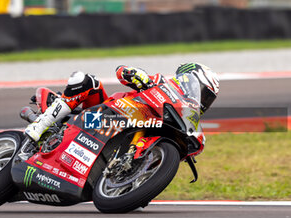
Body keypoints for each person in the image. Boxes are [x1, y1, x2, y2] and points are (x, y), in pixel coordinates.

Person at [25, 64, 219, 155]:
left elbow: (192, 150)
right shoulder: (161, 82)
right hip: (103, 116)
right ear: (188, 78)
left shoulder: (188, 120)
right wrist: (134, 74)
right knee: (84, 80)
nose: (203, 100)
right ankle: (41, 125)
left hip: (125, 131)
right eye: (203, 92)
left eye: (208, 98)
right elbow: (121, 71)